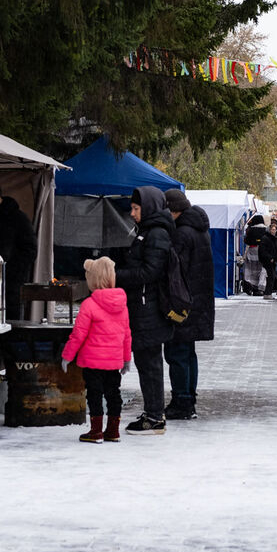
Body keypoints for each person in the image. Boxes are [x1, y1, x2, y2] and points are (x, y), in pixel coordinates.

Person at [115, 186, 175, 435]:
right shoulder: (148, 232)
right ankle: (153, 412)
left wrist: (116, 275)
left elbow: (151, 272)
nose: (132, 213)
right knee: (146, 362)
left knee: (149, 363)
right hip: (142, 307)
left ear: (148, 208)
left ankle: (154, 416)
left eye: (136, 208)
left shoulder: (157, 234)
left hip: (148, 309)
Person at [60, 257, 132, 443]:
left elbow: (78, 335)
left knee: (94, 394)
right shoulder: (122, 306)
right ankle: (113, 430)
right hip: (113, 362)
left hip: (93, 362)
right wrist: (126, 359)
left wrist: (67, 356)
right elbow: (126, 335)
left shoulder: (89, 305)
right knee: (113, 394)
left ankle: (96, 431)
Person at [162, 189, 215, 420]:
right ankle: (188, 397)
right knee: (188, 353)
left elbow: (175, 270)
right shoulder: (198, 229)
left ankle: (182, 401)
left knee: (177, 353)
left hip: (182, 301)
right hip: (197, 300)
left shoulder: (181, 233)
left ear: (173, 210)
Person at [0, 180, 38, 320]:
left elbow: (30, 249)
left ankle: (11, 340)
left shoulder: (17, 218)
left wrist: (13, 269)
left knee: (10, 313)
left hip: (12, 279)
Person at [242, 215, 268, 296]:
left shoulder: (251, 229)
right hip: (262, 251)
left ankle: (252, 286)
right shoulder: (266, 229)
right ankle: (260, 288)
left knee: (251, 270)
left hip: (252, 252)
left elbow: (246, 240)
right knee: (261, 269)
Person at [258, 222, 277, 300]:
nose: (273, 231)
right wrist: (270, 258)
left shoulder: (274, 238)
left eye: (275, 229)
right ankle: (267, 293)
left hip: (272, 260)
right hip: (268, 261)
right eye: (272, 229)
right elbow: (263, 250)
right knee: (270, 277)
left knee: (271, 277)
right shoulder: (266, 238)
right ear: (269, 230)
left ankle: (268, 293)